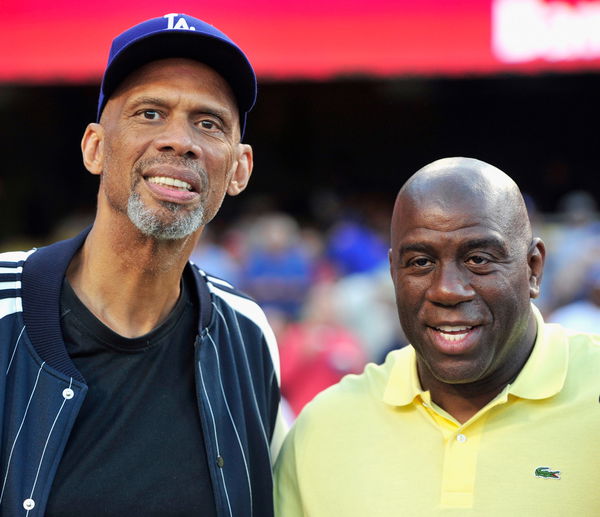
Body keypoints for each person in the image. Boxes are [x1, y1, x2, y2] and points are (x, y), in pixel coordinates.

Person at [0, 13, 286, 517]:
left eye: (208, 123)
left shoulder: (247, 333)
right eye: (150, 113)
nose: (180, 141)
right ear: (95, 147)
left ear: (239, 169)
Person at [274, 157, 600, 516]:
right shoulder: (325, 430)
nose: (447, 290)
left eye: (478, 259)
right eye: (420, 262)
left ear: (533, 268)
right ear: (393, 274)